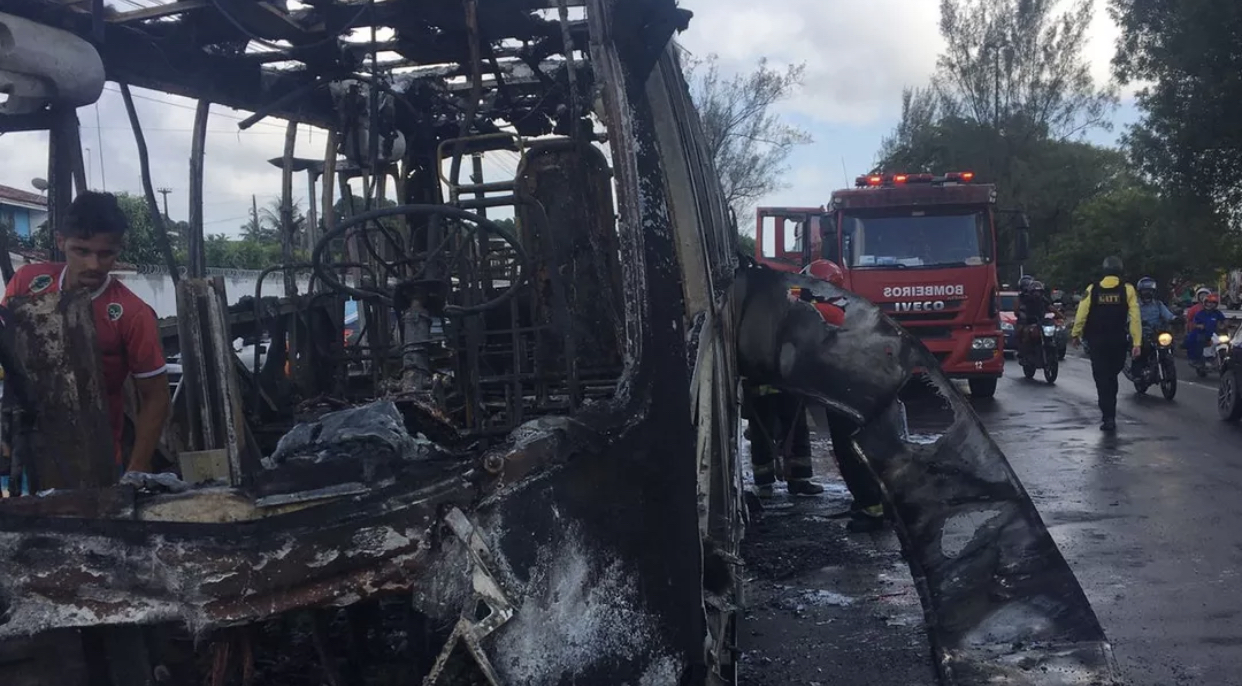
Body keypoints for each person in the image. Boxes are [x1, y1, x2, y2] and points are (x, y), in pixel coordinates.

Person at [1, 191, 170, 476]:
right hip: (23, 450)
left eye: (105, 254)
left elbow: (156, 396)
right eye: (81, 251)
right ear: (60, 242)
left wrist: (136, 469)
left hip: (97, 458)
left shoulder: (133, 313)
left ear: (119, 249)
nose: (93, 265)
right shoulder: (28, 282)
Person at [799, 259, 885, 531]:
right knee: (856, 448)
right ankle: (868, 502)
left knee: (849, 450)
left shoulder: (823, 311)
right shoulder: (847, 307)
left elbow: (797, 315)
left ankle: (872, 510)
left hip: (845, 391)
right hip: (858, 389)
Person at [1071, 256, 1141, 432]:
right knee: (1112, 377)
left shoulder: (1092, 289)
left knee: (1102, 380)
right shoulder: (1128, 290)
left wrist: (1075, 334)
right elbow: (1135, 318)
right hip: (1118, 342)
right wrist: (1137, 343)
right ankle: (1111, 412)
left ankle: (1108, 417)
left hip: (1097, 343)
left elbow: (1081, 315)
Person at [1130, 276, 1175, 377]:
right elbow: (1130, 318)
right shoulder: (1135, 305)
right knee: (1141, 351)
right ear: (1140, 291)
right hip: (1142, 334)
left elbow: (1168, 316)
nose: (1147, 293)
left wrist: (1176, 319)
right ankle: (1137, 373)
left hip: (1157, 333)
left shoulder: (1158, 304)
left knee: (1170, 342)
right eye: (1145, 291)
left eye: (1150, 291)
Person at [1186, 293, 1227, 367]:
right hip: (1203, 334)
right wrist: (1199, 326)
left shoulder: (1217, 313)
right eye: (1208, 302)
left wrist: (1224, 325)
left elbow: (1223, 321)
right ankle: (1201, 359)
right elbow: (1194, 324)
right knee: (1198, 341)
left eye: (1213, 303)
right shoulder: (1200, 313)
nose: (1210, 304)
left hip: (1215, 334)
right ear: (1205, 303)